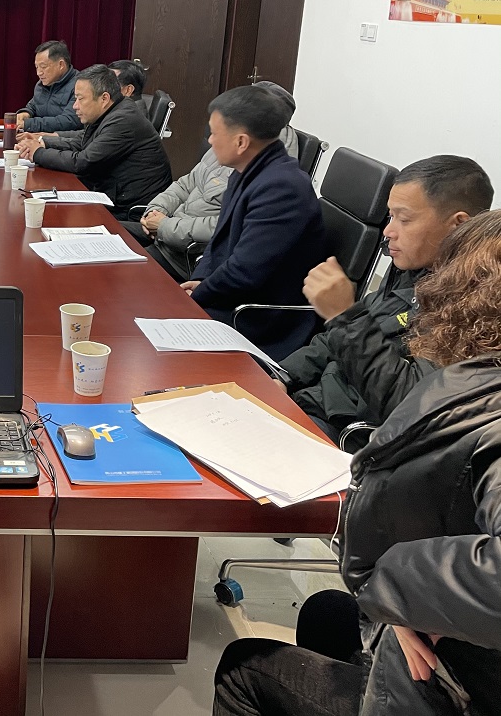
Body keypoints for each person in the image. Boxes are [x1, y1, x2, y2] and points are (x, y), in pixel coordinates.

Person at [213, 209, 501, 716]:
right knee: (326, 614)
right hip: (459, 649)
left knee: (245, 668)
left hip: (460, 685)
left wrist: (396, 588)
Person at [279, 155, 493, 446]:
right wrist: (283, 375)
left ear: (458, 225)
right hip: (315, 399)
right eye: (390, 216)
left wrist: (345, 316)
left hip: (348, 432)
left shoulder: (475, 306)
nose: (389, 231)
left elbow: (409, 403)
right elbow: (338, 339)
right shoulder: (414, 264)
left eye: (404, 219)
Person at [180, 86, 325, 360]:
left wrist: (199, 296)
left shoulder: (282, 187)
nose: (210, 140)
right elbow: (219, 242)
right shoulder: (245, 171)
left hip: (260, 317)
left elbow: (245, 271)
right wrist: (199, 280)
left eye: (215, 133)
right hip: (232, 297)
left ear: (241, 142)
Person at [129, 83, 302, 282]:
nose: (210, 140)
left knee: (119, 275)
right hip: (170, 235)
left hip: (185, 253)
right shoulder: (235, 151)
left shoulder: (270, 181)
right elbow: (186, 182)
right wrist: (157, 210)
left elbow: (224, 231)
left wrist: (165, 226)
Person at [15, 64, 172, 218]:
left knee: (53, 215)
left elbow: (83, 162)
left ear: (104, 98)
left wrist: (38, 153)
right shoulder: (113, 111)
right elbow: (82, 142)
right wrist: (43, 141)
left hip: (131, 211)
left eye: (80, 99)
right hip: (112, 195)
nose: (75, 106)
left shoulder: (123, 120)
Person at [13, 40, 78, 132]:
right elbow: (33, 106)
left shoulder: (79, 85)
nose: (38, 73)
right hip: (36, 136)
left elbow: (69, 121)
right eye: (37, 67)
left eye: (43, 67)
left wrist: (29, 124)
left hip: (63, 139)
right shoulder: (41, 84)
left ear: (61, 65)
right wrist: (26, 113)